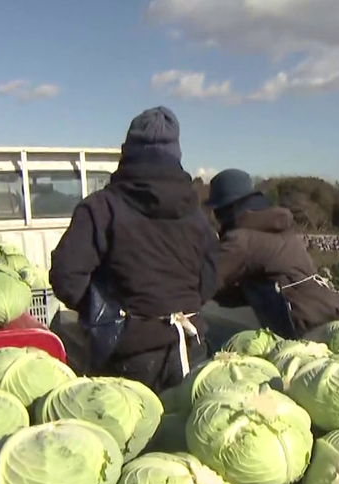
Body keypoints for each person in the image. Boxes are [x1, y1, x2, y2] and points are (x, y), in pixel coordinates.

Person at [49, 106, 217, 392]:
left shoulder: (101, 207)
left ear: (127, 152)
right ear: (176, 155)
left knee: (132, 434)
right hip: (189, 348)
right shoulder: (196, 214)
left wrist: (102, 311)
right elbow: (212, 276)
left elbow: (67, 277)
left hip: (126, 353)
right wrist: (180, 305)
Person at [205, 168, 339, 338]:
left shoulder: (241, 240)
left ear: (226, 209)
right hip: (327, 309)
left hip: (301, 321)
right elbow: (263, 282)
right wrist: (224, 297)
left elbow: (205, 282)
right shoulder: (277, 229)